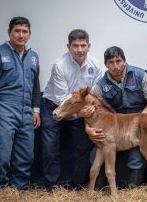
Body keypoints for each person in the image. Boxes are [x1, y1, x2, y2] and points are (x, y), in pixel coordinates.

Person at [86, 46, 147, 188]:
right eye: (111, 62)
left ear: (124, 61)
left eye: (118, 61)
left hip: (138, 124)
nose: (115, 66)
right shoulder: (101, 85)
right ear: (106, 64)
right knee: (94, 155)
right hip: (116, 126)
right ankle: (98, 189)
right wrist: (87, 128)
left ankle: (133, 190)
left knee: (138, 157)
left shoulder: (140, 75)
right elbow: (88, 108)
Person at [41, 29, 103, 192]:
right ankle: (52, 189)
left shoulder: (96, 64)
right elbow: (63, 99)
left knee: (84, 146)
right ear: (68, 47)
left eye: (83, 45)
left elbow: (96, 93)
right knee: (50, 148)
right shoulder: (59, 65)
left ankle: (77, 186)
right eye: (75, 46)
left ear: (89, 46)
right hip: (55, 106)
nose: (80, 50)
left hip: (80, 108)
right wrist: (81, 113)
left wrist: (91, 108)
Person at [0, 16, 41, 190]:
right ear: (9, 32)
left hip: (26, 112)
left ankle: (19, 189)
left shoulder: (34, 57)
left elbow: (36, 86)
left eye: (25, 31)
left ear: (29, 34)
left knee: (26, 154)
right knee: (2, 154)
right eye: (17, 31)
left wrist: (35, 110)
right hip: (4, 109)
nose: (21, 35)